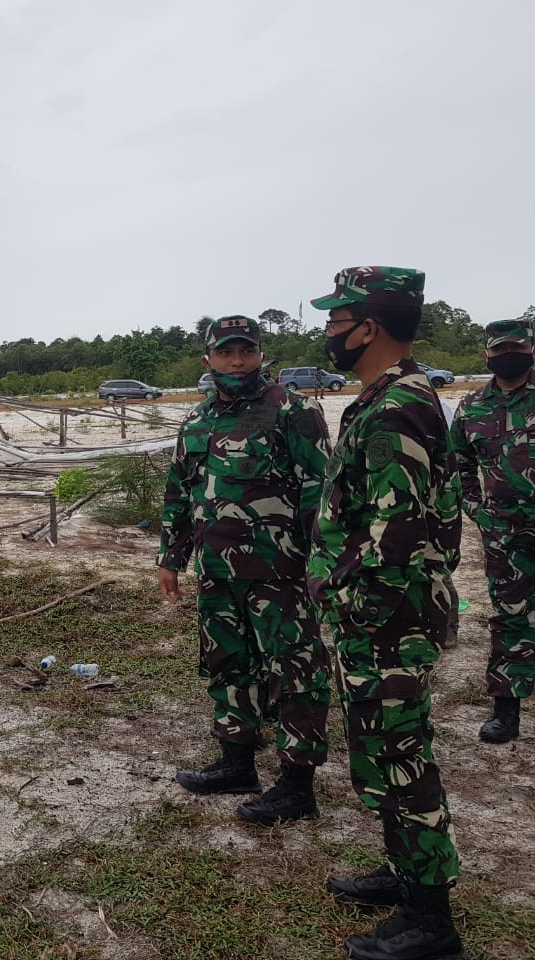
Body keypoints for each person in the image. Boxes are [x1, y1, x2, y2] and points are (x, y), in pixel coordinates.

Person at [307, 267, 463, 960]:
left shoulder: (398, 403)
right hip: (377, 616)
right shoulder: (383, 399)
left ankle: (432, 923)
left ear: (368, 326)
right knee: (380, 750)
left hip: (387, 617)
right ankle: (405, 875)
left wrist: (350, 604)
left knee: (401, 757)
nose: (330, 334)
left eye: (337, 321)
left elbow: (396, 531)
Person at [158, 315, 332, 825]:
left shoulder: (293, 411)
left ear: (261, 354)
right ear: (207, 360)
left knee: (295, 673)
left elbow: (321, 493)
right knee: (227, 664)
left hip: (280, 573)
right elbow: (180, 493)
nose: (237, 362)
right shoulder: (196, 422)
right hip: (217, 571)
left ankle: (298, 784)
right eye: (227, 353)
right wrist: (171, 557)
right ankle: (237, 762)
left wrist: (320, 564)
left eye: (246, 352)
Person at [449, 317, 535, 743]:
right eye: (499, 350)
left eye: (514, 348)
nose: (507, 356)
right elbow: (457, 464)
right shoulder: (472, 406)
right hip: (504, 530)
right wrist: (474, 506)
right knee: (510, 617)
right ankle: (507, 709)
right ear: (487, 354)